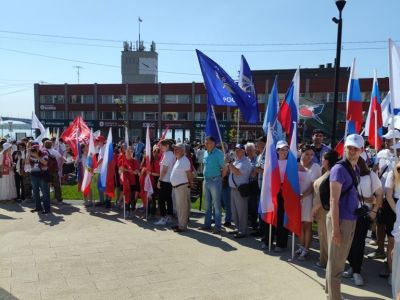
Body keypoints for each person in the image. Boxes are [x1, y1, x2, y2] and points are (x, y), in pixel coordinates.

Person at [325, 134, 364, 300]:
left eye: (356, 148)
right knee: (337, 266)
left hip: (350, 218)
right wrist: (336, 230)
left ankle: (329, 291)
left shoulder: (355, 168)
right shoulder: (339, 169)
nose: (352, 151)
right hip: (340, 220)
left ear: (361, 150)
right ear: (344, 149)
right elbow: (333, 201)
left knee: (334, 261)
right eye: (349, 148)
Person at [343, 157, 383, 286]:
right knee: (347, 242)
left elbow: (380, 194)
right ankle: (352, 266)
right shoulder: (346, 172)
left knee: (359, 244)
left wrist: (374, 211)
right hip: (346, 213)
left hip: (363, 214)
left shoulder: (371, 175)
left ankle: (356, 271)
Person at [312, 150, 340, 268]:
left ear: (327, 161)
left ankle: (325, 261)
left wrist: (313, 210)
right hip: (325, 210)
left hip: (323, 211)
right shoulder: (330, 173)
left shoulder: (330, 175)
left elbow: (321, 196)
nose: (321, 160)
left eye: (323, 159)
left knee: (324, 237)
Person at [262, 140, 290, 251]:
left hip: (285, 194)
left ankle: (281, 244)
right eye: (282, 149)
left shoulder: (290, 163)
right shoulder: (271, 163)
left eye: (286, 149)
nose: (284, 152)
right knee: (270, 216)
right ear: (277, 151)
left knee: (282, 218)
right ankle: (267, 241)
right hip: (272, 193)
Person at [296, 144, 321, 260]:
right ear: (301, 152)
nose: (309, 157)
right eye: (307, 154)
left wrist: (302, 196)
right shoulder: (295, 164)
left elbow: (313, 186)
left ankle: (306, 248)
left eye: (311, 154)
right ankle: (301, 246)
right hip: (296, 199)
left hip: (308, 199)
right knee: (299, 224)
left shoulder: (315, 167)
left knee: (307, 224)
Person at [200, 136, 227, 234]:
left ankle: (217, 227)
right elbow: (204, 165)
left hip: (215, 181)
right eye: (205, 142)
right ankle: (207, 224)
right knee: (207, 204)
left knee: (216, 205)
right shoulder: (205, 153)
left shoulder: (219, 154)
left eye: (207, 142)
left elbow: (225, 168)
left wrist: (221, 178)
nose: (206, 144)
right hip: (206, 180)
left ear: (213, 143)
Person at [228, 144, 253, 238]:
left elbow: (237, 172)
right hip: (233, 189)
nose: (236, 151)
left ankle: (243, 231)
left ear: (244, 151)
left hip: (240, 190)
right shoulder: (236, 161)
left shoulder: (246, 162)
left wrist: (230, 163)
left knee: (241, 211)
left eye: (238, 150)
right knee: (234, 211)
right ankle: (238, 228)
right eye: (235, 150)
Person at [170, 143, 194, 232]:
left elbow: (189, 174)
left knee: (182, 207)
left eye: (177, 149)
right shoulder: (179, 160)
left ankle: (182, 226)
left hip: (182, 187)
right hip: (177, 187)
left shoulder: (184, 160)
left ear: (183, 150)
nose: (175, 151)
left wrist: (191, 184)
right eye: (174, 149)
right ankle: (180, 224)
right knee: (179, 207)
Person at [384, 160, 400, 287]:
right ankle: (391, 272)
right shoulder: (392, 173)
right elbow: (388, 195)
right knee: (392, 243)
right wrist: (398, 212)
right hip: (393, 209)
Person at [154, 139, 176, 225]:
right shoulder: (171, 154)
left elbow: (164, 169)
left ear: (167, 146)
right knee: (168, 199)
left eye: (161, 146)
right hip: (169, 180)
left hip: (165, 180)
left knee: (161, 200)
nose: (160, 147)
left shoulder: (167, 154)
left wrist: (159, 180)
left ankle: (163, 218)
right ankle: (169, 217)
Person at [26, 144, 51, 214]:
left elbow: (45, 163)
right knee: (35, 192)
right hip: (33, 174)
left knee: (45, 192)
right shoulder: (31, 154)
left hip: (42, 174)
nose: (34, 149)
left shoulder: (44, 153)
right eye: (33, 148)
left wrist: (37, 156)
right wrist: (28, 154)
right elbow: (27, 162)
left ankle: (47, 209)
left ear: (39, 148)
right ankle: (38, 207)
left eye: (36, 148)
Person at [119, 146, 139, 216]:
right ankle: (127, 210)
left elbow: (136, 172)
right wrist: (124, 170)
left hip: (132, 181)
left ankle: (132, 210)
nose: (128, 153)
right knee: (126, 196)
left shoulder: (135, 161)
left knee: (132, 197)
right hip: (125, 181)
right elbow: (120, 170)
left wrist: (130, 171)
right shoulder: (122, 160)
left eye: (130, 152)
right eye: (127, 151)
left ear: (132, 153)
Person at [245, 142, 259, 231]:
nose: (249, 151)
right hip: (246, 185)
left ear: (254, 150)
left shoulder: (258, 159)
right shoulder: (246, 160)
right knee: (247, 205)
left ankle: (254, 224)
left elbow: (257, 171)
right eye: (247, 150)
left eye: (250, 150)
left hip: (254, 185)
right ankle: (249, 222)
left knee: (254, 205)